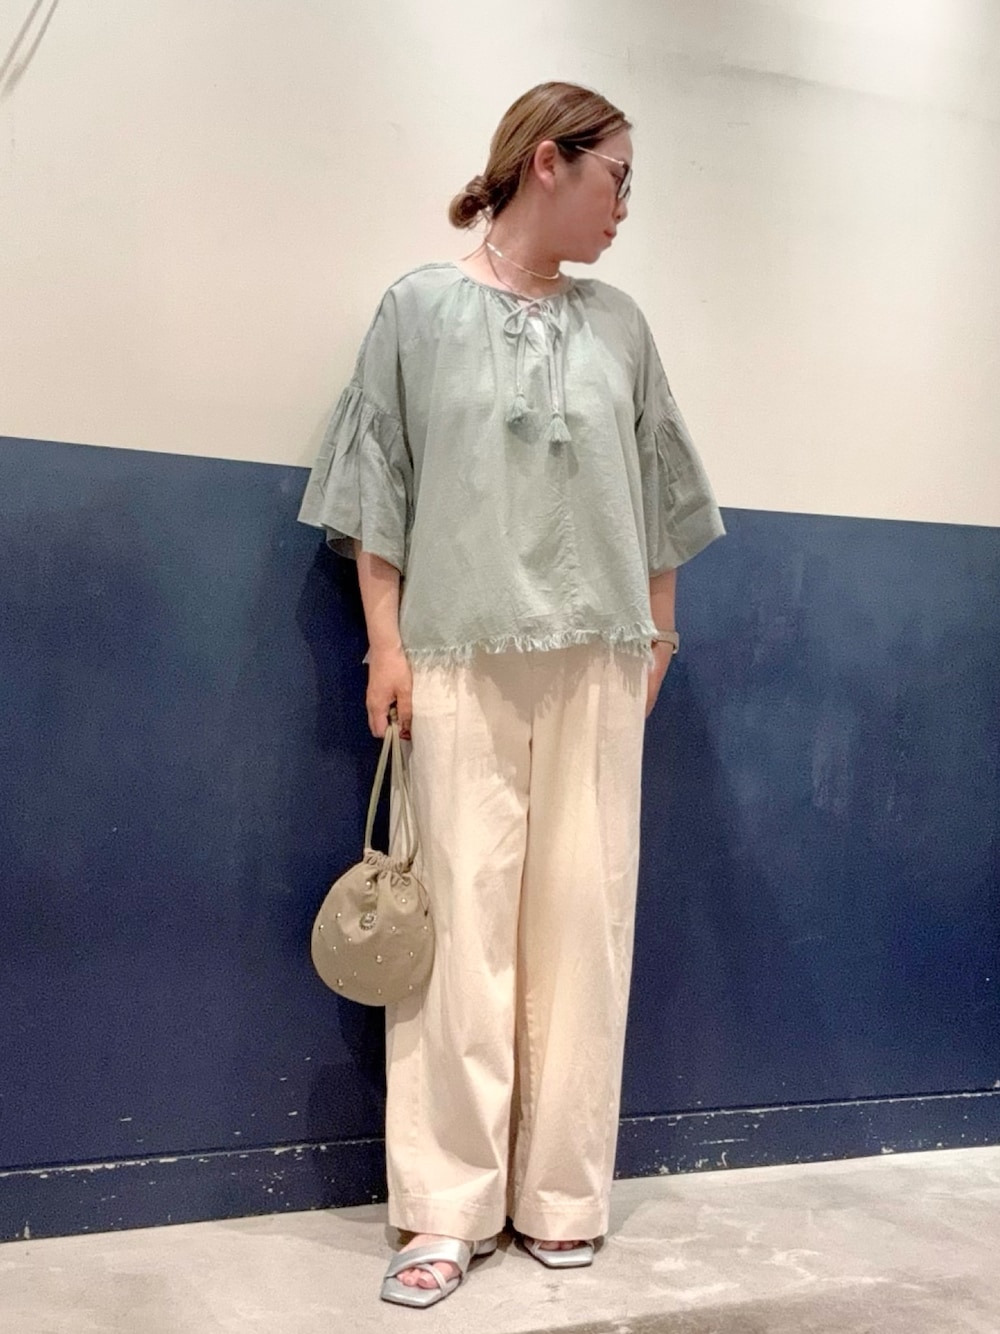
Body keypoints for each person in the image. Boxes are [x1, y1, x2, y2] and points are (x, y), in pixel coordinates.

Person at [298, 80, 724, 1309]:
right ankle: (445, 1207)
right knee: (458, 938)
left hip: (598, 656)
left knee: (585, 926)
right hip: (454, 654)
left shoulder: (620, 326)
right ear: (549, 162)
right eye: (618, 177)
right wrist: (384, 645)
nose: (626, 206)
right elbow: (379, 488)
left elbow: (659, 489)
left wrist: (659, 633)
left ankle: (561, 1197)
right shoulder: (417, 309)